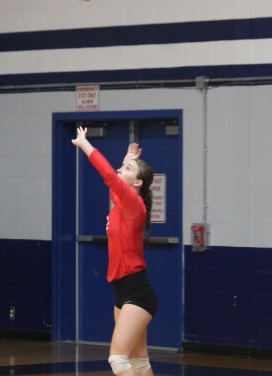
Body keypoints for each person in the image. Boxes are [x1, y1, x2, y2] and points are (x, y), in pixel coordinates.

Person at [72, 126, 157, 376]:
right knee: (139, 362)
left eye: (128, 171)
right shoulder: (122, 202)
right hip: (122, 292)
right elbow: (116, 181)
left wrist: (85, 144)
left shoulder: (135, 205)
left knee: (118, 360)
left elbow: (110, 176)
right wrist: (128, 160)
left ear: (138, 183)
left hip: (137, 293)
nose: (121, 172)